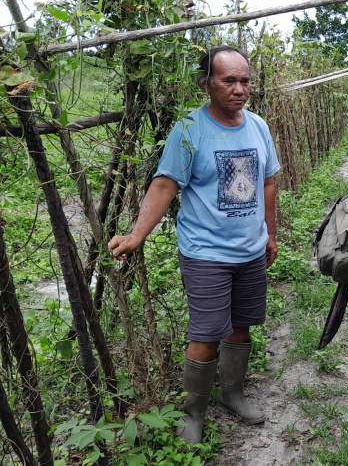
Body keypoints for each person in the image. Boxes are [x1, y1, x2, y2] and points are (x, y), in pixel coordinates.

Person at [108, 46, 280, 444]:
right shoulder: (190, 130)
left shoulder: (258, 126)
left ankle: (233, 395)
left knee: (241, 327)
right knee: (205, 334)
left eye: (245, 81)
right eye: (228, 80)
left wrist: (271, 234)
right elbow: (165, 185)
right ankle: (193, 413)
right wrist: (137, 234)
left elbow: (269, 182)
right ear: (206, 84)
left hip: (250, 250)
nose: (239, 89)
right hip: (206, 252)